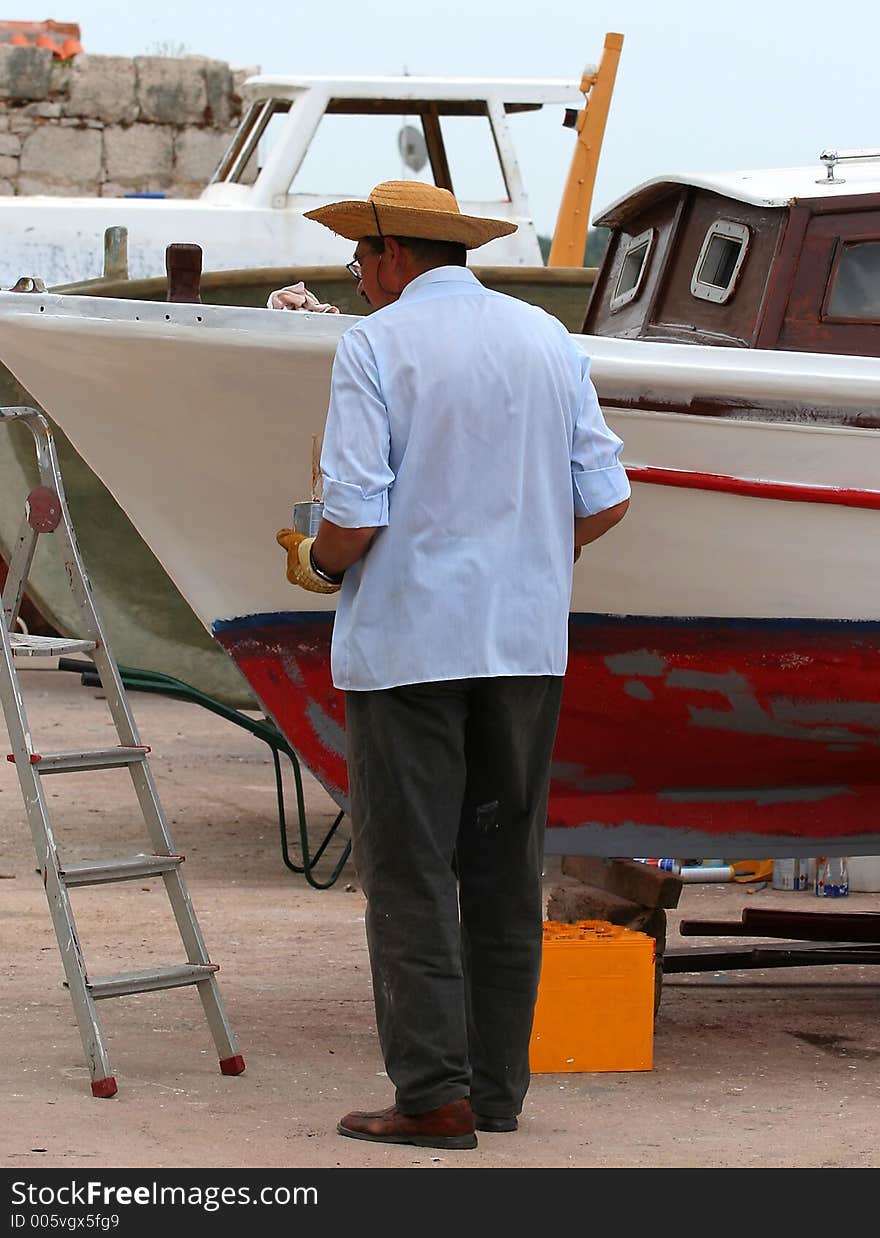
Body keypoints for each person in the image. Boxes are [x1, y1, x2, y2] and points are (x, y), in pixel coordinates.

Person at [276, 180, 630, 1150]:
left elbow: (353, 514)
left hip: (408, 647)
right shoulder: (545, 341)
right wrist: (528, 552)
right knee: (503, 867)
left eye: (359, 256)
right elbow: (605, 497)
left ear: (394, 254)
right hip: (521, 643)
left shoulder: (373, 347)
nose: (354, 275)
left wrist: (315, 560)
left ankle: (432, 1094)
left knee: (410, 870)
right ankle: (495, 1090)